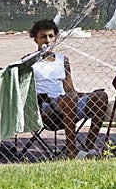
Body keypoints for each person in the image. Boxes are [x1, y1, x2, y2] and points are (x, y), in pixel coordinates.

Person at [29, 19, 109, 158]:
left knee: (101, 96)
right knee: (69, 99)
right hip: (43, 107)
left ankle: (87, 149)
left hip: (66, 104)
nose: (47, 41)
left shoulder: (62, 60)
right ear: (35, 39)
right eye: (43, 37)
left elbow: (70, 89)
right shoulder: (29, 61)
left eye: (51, 36)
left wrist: (89, 94)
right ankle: (71, 149)